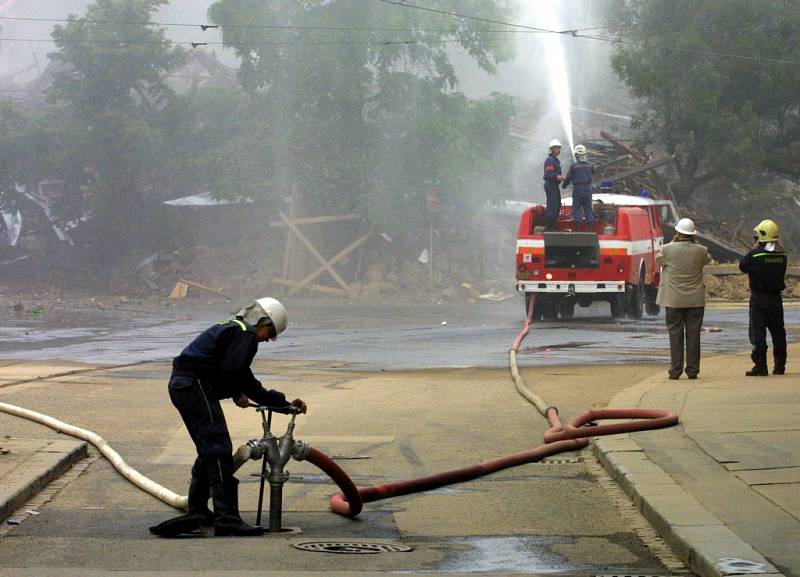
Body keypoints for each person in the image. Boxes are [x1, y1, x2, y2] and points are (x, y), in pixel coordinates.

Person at [150, 297, 307, 538]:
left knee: (208, 450)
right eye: (270, 333)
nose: (266, 339)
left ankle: (199, 510)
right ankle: (228, 519)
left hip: (183, 385)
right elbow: (239, 375)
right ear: (262, 321)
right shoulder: (245, 335)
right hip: (194, 385)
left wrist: (240, 392)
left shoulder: (232, 328)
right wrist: (280, 404)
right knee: (218, 449)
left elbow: (228, 372)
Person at [655, 218, 712, 380]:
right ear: (693, 234)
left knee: (675, 334)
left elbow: (659, 261)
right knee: (693, 335)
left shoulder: (667, 249)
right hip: (695, 300)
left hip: (673, 300)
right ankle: (693, 370)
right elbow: (707, 259)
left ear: (678, 233)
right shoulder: (701, 250)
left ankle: (675, 370)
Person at [739, 219, 787, 376]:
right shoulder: (782, 255)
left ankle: (761, 366)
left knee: (758, 333)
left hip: (759, 298)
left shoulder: (755, 254)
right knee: (778, 333)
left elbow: (742, 266)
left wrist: (755, 248)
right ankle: (779, 366)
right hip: (776, 299)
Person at [562, 144, 595, 231]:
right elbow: (593, 172)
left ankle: (578, 229)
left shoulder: (573, 166)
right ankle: (590, 229)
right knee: (588, 208)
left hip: (578, 189)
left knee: (576, 208)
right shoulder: (590, 165)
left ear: (576, 155)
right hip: (588, 189)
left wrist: (564, 185)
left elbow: (568, 178)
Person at [542, 139, 565, 231]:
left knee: (557, 205)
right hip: (551, 185)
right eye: (556, 148)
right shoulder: (550, 160)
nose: (558, 150)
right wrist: (558, 177)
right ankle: (549, 228)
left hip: (554, 186)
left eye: (559, 148)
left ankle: (552, 226)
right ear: (552, 149)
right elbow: (548, 174)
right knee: (553, 206)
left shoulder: (555, 160)